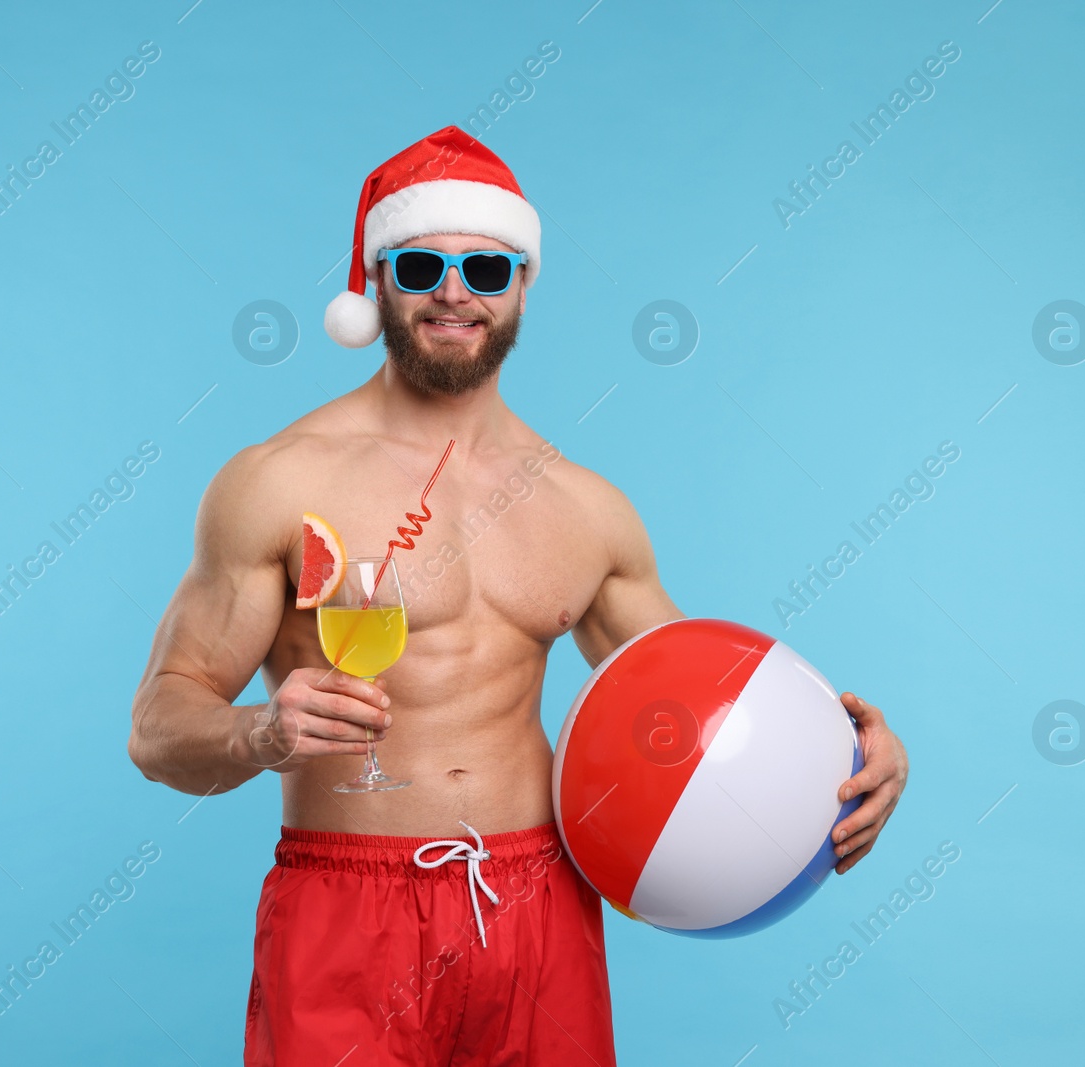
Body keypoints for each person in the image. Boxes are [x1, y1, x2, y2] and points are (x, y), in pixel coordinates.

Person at [127, 126, 909, 1066]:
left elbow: (705, 712)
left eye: (487, 270)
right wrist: (261, 733)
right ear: (378, 283)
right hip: (347, 905)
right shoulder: (275, 482)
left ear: (523, 286)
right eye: (422, 264)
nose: (454, 292)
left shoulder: (587, 509)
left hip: (540, 904)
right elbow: (158, 727)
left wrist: (854, 741)